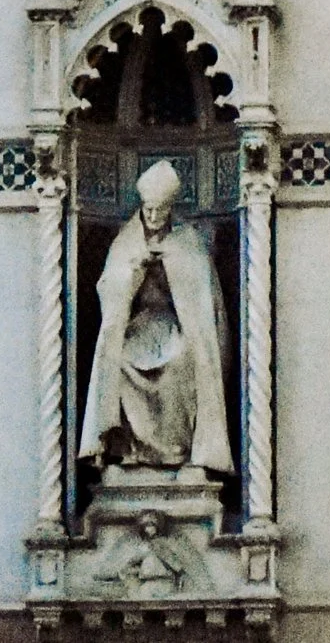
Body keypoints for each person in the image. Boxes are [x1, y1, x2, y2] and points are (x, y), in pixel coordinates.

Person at [79, 159, 233, 476]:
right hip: (139, 327)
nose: (151, 217)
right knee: (119, 359)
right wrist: (134, 272)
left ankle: (180, 451)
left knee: (182, 361)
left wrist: (168, 271)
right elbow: (110, 289)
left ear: (170, 208)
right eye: (147, 209)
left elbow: (200, 297)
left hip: (174, 326)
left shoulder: (187, 240)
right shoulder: (126, 240)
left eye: (158, 211)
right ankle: (130, 449)